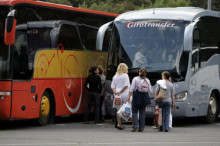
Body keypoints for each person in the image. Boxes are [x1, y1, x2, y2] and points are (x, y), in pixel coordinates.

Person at [128, 67, 152, 132]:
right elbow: (150, 90)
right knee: (142, 113)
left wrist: (129, 96)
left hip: (136, 96)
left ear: (139, 72)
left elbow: (131, 88)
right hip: (144, 97)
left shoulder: (135, 79)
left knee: (134, 111)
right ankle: (141, 128)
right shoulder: (147, 80)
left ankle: (136, 125)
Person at [111, 63, 130, 130]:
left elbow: (112, 86)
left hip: (117, 95)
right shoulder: (125, 75)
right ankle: (131, 122)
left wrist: (116, 92)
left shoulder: (115, 76)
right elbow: (126, 85)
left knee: (118, 109)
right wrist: (121, 91)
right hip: (124, 93)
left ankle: (119, 124)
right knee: (128, 107)